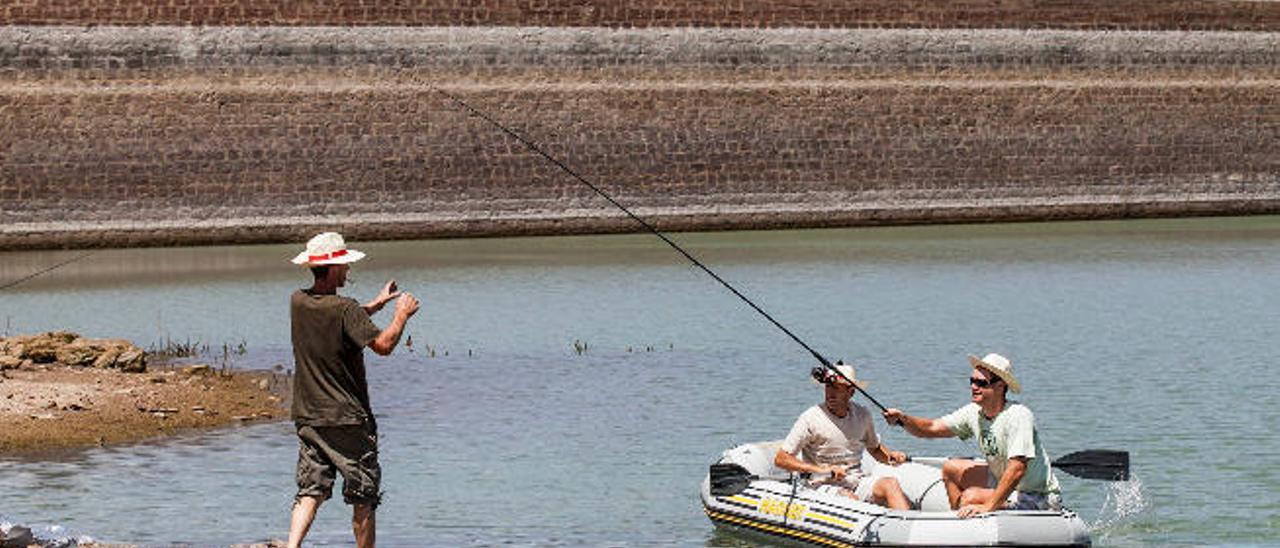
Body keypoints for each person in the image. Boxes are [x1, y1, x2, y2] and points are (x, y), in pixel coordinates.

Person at [286, 232, 420, 548]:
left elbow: (339, 316)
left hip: (308, 416)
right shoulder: (345, 308)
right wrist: (401, 314)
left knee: (311, 489)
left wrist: (375, 304)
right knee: (364, 495)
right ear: (332, 269)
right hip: (347, 419)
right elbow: (383, 345)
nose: (348, 270)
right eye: (344, 265)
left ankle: (291, 547)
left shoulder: (298, 301)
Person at [883, 353, 1061, 518]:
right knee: (951, 468)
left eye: (981, 383)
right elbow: (931, 427)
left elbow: (1017, 469)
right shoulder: (974, 413)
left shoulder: (1018, 415)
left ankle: (969, 521)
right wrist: (903, 419)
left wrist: (988, 506)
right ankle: (960, 521)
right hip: (1002, 479)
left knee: (970, 497)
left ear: (1000, 387)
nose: (974, 387)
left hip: (1036, 495)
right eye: (972, 381)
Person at [774, 363, 911, 510]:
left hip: (856, 481)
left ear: (851, 392)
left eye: (837, 388)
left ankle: (907, 527)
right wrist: (822, 470)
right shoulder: (810, 418)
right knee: (849, 499)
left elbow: (875, 449)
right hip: (821, 485)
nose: (830, 393)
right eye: (828, 387)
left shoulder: (863, 415)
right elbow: (781, 459)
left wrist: (891, 457)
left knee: (890, 484)